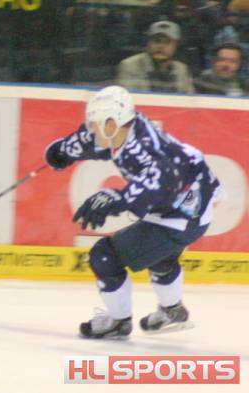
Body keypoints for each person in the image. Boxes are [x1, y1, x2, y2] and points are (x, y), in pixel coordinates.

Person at [44, 86, 221, 339]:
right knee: (160, 258)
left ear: (111, 123)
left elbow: (161, 181)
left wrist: (118, 199)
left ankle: (118, 322)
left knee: (105, 256)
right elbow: (93, 141)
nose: (91, 129)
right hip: (190, 207)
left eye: (94, 124)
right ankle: (173, 311)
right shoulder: (123, 128)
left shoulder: (145, 148)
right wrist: (62, 151)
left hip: (183, 213)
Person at [117, 20, 195, 93]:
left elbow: (190, 99)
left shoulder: (182, 69)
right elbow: (126, 98)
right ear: (148, 43)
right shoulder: (130, 66)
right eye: (157, 41)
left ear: (175, 46)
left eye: (167, 42)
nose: (161, 46)